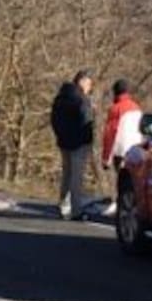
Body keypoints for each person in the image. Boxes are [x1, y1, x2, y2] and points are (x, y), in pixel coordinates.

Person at [50, 70, 96, 220]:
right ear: (82, 81)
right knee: (77, 178)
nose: (90, 87)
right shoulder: (82, 100)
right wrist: (88, 140)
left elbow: (54, 119)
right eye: (89, 83)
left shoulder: (61, 97)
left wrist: (60, 135)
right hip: (79, 143)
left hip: (64, 142)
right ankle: (76, 210)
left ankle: (63, 205)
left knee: (66, 175)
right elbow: (86, 122)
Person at [102, 78, 143, 174]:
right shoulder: (137, 108)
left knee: (123, 182)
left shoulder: (115, 109)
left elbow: (110, 134)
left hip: (121, 152)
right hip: (137, 151)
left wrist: (106, 158)